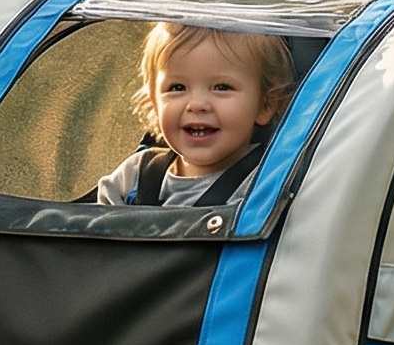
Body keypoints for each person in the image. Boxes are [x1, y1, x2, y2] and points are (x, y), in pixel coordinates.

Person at [97, 24, 294, 208]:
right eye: (177, 87)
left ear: (266, 105)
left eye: (222, 87)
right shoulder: (133, 177)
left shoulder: (269, 183)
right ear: (155, 104)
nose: (197, 105)